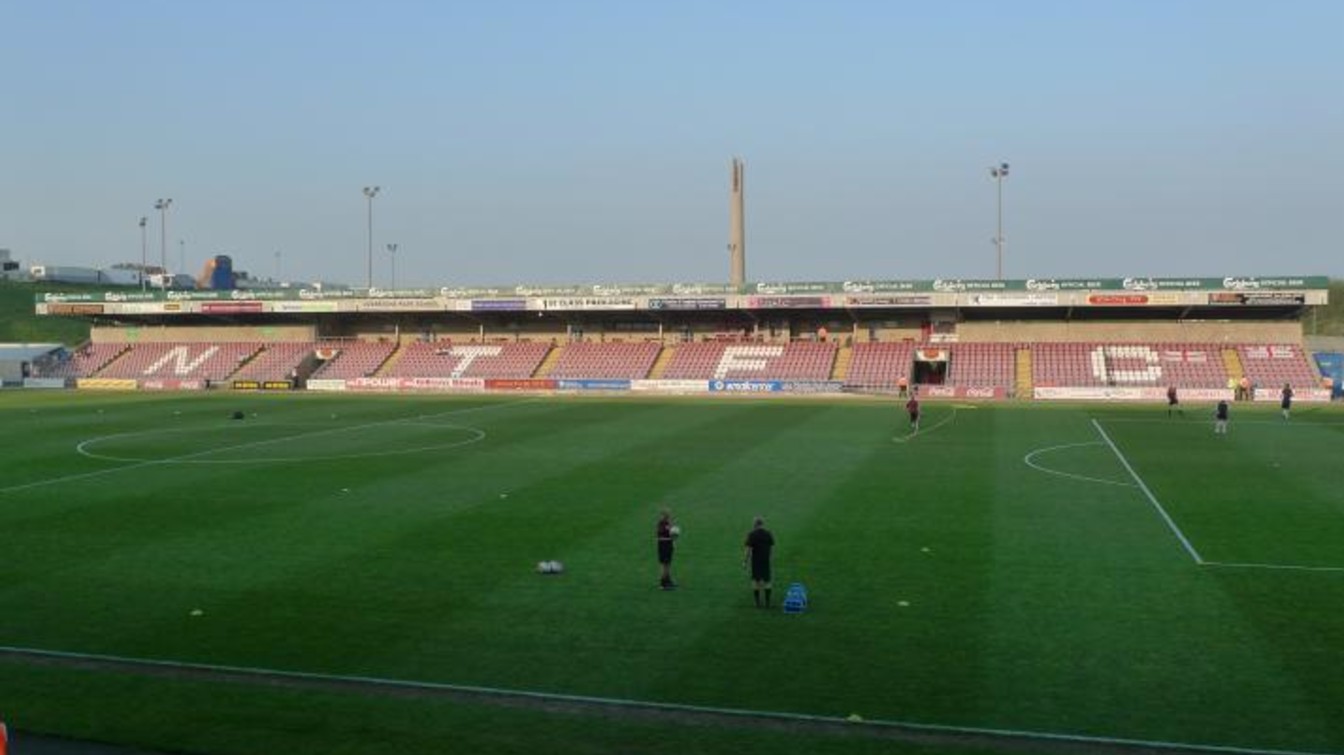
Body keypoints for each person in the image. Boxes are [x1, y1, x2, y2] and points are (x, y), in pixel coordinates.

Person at [743, 516, 775, 608]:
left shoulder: (751, 534)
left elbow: (748, 550)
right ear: (762, 524)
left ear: (754, 524)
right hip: (766, 560)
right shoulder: (769, 533)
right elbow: (772, 548)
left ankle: (757, 603)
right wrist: (770, 559)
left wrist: (745, 561)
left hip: (756, 561)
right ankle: (767, 603)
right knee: (767, 581)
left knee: (755, 581)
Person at [656, 509, 677, 590]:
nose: (667, 517)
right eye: (666, 515)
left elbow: (671, 535)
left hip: (668, 545)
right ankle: (663, 584)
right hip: (663, 545)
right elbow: (662, 533)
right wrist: (671, 530)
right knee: (664, 565)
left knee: (668, 564)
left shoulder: (668, 524)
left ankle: (668, 581)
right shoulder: (661, 524)